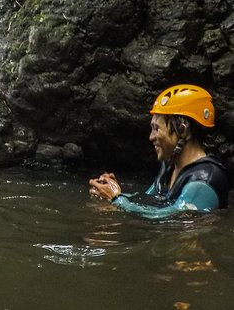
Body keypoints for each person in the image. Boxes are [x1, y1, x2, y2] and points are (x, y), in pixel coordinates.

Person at [89, 84, 230, 219]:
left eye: (156, 129)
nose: (151, 137)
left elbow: (168, 217)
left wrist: (117, 199)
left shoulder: (205, 179)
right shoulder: (170, 167)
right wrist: (111, 191)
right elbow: (147, 202)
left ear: (182, 130)